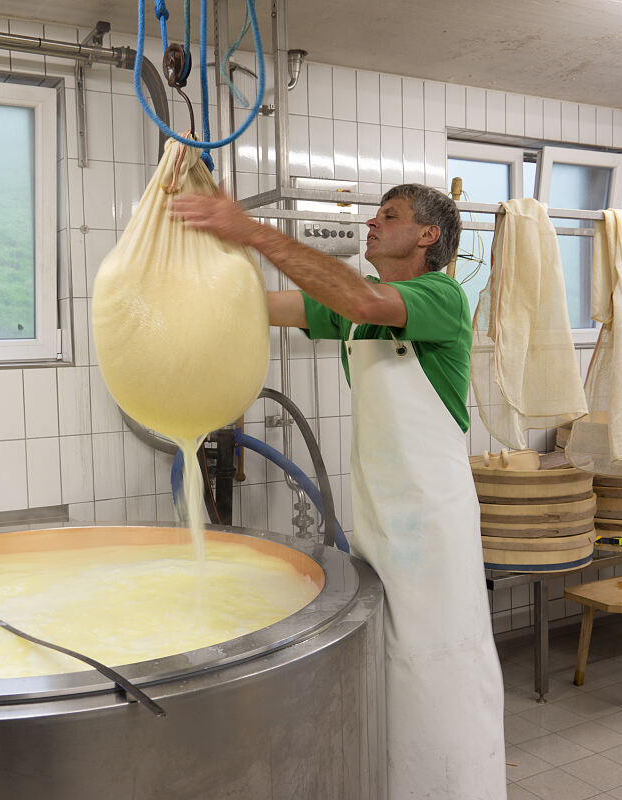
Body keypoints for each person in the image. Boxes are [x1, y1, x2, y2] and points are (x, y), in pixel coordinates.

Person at [172, 183, 507, 800]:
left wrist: (249, 230)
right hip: (382, 523)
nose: (372, 225)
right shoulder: (357, 314)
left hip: (433, 530)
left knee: (443, 667)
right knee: (396, 671)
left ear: (428, 236)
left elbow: (358, 296)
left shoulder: (440, 297)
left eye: (390, 217)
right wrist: (184, 280)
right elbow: (269, 306)